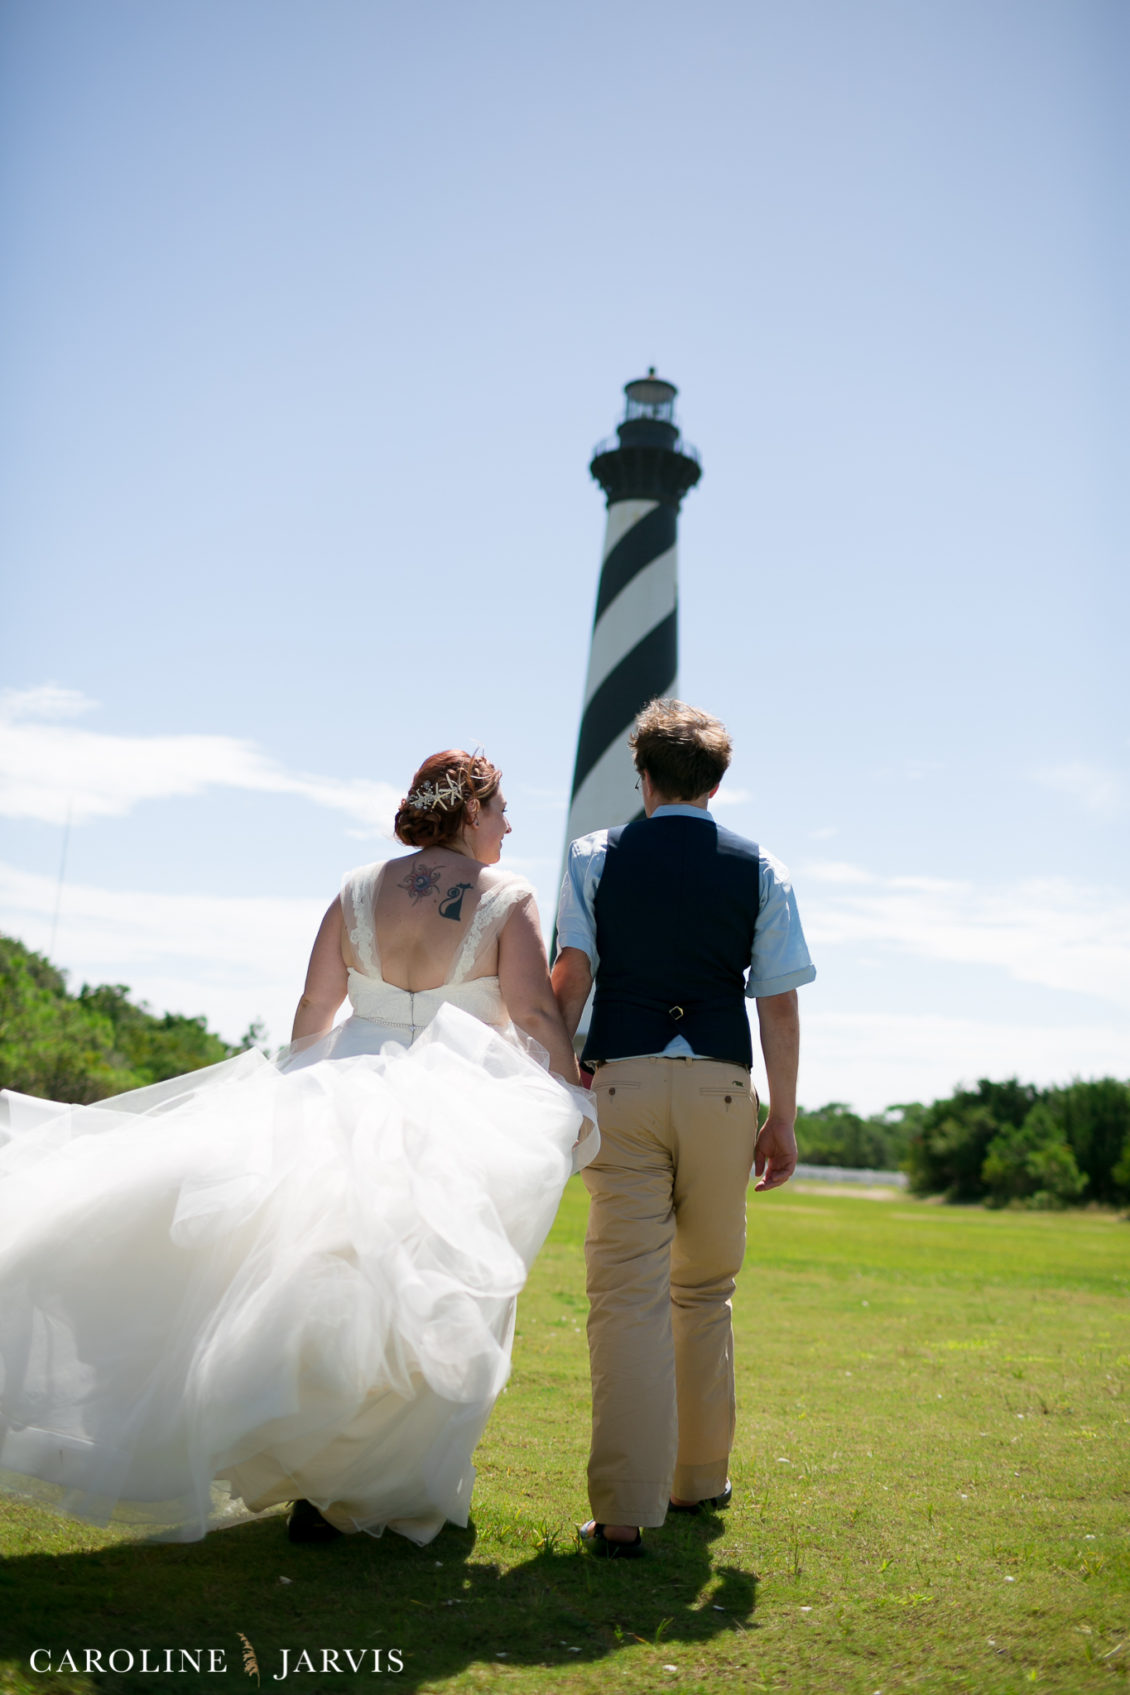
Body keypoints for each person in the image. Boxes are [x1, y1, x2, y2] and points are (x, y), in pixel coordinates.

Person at [0, 750, 596, 1548]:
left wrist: (293, 1101)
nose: (509, 825)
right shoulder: (506, 897)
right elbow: (530, 1006)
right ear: (469, 810)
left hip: (341, 1092)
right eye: (501, 809)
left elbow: (317, 1004)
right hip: (453, 1105)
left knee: (326, 1288)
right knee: (426, 1294)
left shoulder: (357, 888)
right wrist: (569, 1091)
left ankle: (321, 1485)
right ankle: (377, 1487)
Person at [551, 699, 815, 1557]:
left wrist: (560, 1074)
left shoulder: (596, 855)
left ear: (644, 775)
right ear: (718, 780)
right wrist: (785, 1115)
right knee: (703, 1290)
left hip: (622, 1082)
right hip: (721, 1091)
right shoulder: (762, 866)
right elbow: (777, 1002)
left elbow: (572, 978)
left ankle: (624, 1510)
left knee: (626, 1296)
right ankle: (698, 1479)